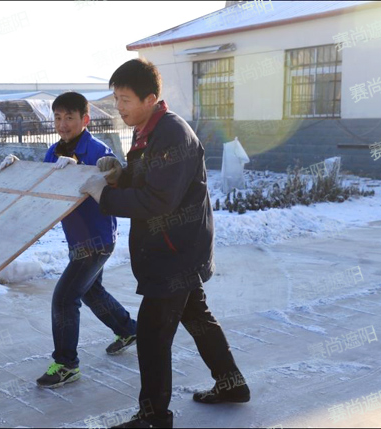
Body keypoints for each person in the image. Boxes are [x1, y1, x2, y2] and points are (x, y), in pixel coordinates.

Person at [80, 59, 250, 428]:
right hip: (177, 248)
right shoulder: (148, 130)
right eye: (116, 99)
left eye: (125, 99)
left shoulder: (172, 134)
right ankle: (231, 384)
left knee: (153, 335)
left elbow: (159, 201)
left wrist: (103, 198)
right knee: (197, 317)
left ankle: (154, 417)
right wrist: (120, 176)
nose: (119, 107)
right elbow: (149, 183)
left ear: (150, 98)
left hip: (175, 253)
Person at [0, 91, 137, 389]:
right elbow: (41, 188)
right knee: (90, 291)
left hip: (97, 240)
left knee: (64, 297)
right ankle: (128, 329)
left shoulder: (99, 152)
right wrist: (17, 170)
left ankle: (66, 364)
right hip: (77, 239)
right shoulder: (53, 153)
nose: (63, 124)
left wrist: (85, 172)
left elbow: (115, 178)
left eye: (70, 118)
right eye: (58, 118)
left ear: (85, 119)